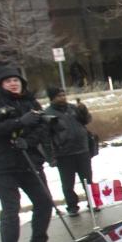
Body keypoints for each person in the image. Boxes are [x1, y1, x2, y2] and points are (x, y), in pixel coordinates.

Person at [0, 66, 54, 242]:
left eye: (16, 80)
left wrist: (27, 142)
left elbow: (42, 128)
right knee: (11, 209)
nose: (13, 83)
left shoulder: (30, 101)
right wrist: (20, 122)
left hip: (28, 161)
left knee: (44, 202)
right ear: (1, 85)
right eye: (8, 81)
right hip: (2, 165)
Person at [45, 87, 94, 217]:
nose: (63, 98)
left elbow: (87, 121)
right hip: (64, 154)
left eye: (64, 95)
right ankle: (72, 206)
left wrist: (84, 111)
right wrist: (50, 157)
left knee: (88, 179)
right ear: (52, 98)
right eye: (59, 96)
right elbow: (45, 137)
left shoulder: (73, 108)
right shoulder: (48, 114)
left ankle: (93, 202)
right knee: (68, 184)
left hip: (82, 150)